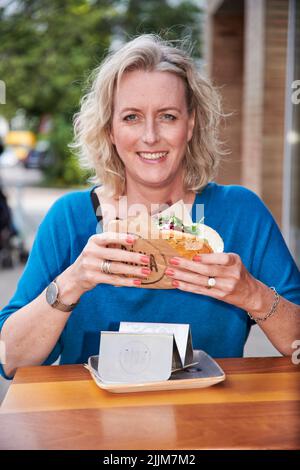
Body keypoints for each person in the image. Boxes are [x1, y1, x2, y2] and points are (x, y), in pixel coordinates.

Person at [0, 35, 299, 379]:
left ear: (191, 124)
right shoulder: (69, 218)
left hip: (210, 423)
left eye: (168, 116)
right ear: (109, 130)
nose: (151, 136)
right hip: (88, 426)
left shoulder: (241, 213)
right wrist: (73, 282)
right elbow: (10, 360)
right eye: (131, 117)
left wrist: (254, 295)